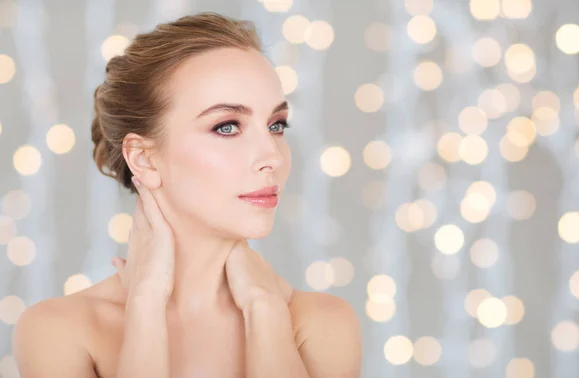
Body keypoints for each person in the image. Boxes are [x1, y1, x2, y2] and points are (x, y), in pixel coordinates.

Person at [11, 12, 362, 378]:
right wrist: (145, 304)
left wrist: (265, 310)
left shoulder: (320, 322)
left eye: (276, 125)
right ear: (144, 158)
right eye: (227, 127)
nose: (273, 157)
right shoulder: (59, 330)